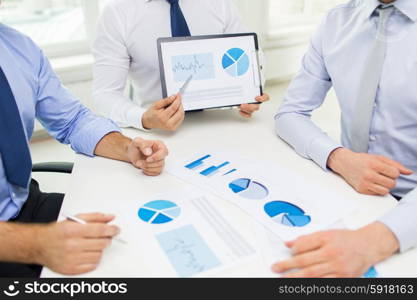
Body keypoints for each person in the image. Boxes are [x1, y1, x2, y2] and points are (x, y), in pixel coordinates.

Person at [0, 23, 168, 277]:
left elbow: (73, 120)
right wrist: (35, 244)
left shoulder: (17, 47)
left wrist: (127, 148)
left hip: (24, 201)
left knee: (135, 236)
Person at [273, 0, 417, 277]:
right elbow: (290, 113)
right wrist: (338, 158)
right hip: (349, 192)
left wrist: (373, 241)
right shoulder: (335, 22)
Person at [92, 0, 269, 132]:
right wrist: (143, 118)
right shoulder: (117, 13)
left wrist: (249, 91)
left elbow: (252, 56)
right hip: (158, 135)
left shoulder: (219, 3)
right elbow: (104, 95)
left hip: (221, 125)